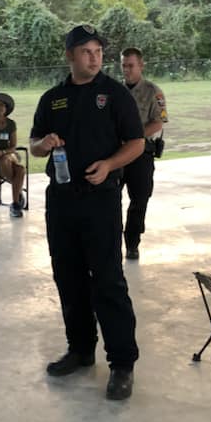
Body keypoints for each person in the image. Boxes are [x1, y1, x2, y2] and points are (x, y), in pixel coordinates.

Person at [30, 24, 144, 401]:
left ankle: (122, 364)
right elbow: (33, 144)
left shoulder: (114, 95)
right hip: (61, 202)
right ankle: (80, 350)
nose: (94, 57)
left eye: (98, 51)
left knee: (108, 279)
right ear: (70, 56)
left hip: (100, 200)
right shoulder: (53, 98)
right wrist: (42, 144)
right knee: (68, 276)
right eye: (85, 51)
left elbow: (137, 143)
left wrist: (110, 165)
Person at [119, 47, 168, 260]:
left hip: (141, 154)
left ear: (141, 65)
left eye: (131, 65)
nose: (127, 70)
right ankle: (110, 240)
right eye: (124, 65)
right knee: (109, 198)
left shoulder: (152, 92)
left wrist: (134, 138)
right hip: (117, 154)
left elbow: (158, 123)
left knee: (139, 199)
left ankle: (132, 243)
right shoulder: (115, 91)